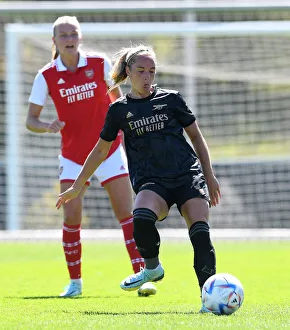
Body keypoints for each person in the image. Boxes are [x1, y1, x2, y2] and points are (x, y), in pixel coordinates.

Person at [55, 44, 221, 312]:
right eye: (141, 70)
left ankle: (208, 300)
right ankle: (152, 268)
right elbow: (100, 150)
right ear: (129, 72)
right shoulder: (119, 110)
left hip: (187, 176)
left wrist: (209, 175)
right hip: (152, 182)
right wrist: (76, 185)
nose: (147, 77)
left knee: (200, 235)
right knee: (141, 219)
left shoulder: (172, 99)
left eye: (152, 71)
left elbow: (196, 138)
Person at [26, 16, 156, 298]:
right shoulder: (45, 76)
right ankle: (75, 283)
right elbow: (30, 120)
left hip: (108, 150)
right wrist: (46, 126)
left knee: (127, 213)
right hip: (73, 155)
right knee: (71, 216)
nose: (69, 38)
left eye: (73, 33)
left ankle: (141, 276)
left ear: (80, 37)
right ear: (55, 41)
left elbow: (118, 102)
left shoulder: (99, 64)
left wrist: (130, 130)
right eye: (63, 35)